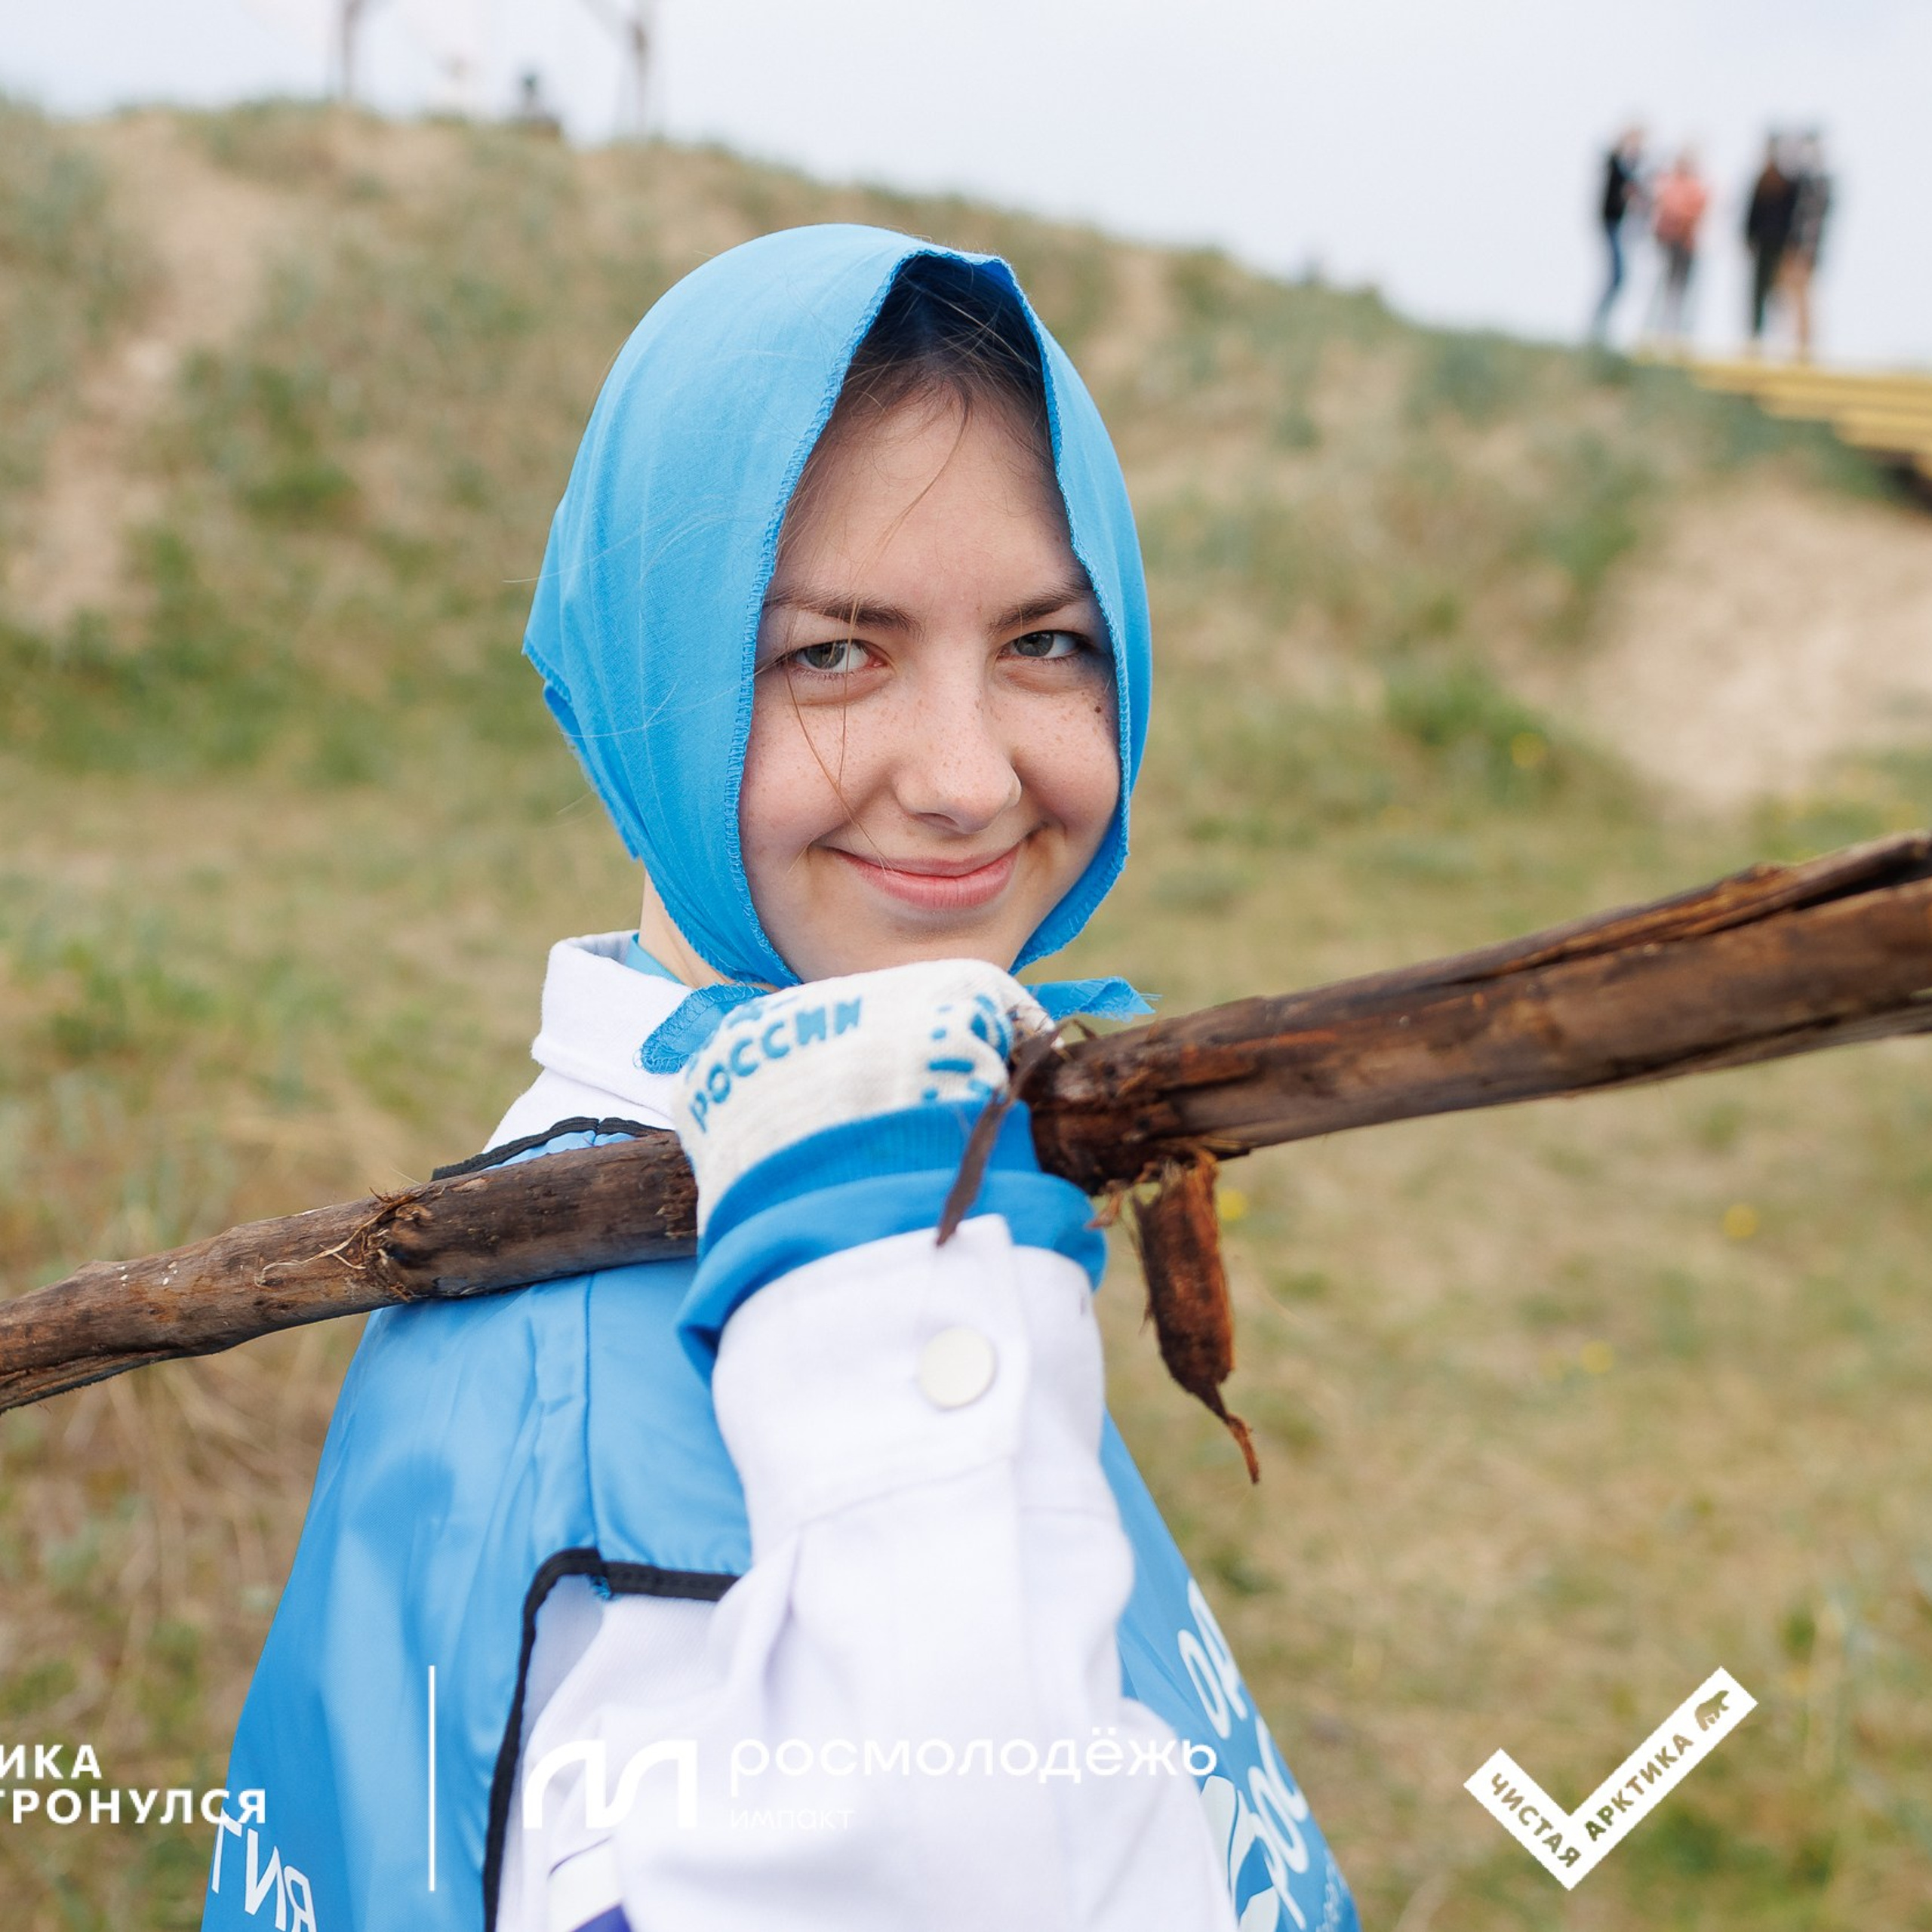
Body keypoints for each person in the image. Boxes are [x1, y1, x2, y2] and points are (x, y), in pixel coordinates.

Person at [199, 229, 1358, 1932]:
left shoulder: (892, 1176)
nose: (966, 780)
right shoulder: (654, 1398)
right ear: (646, 681)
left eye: (1044, 642)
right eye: (830, 653)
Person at [1644, 147, 1709, 349]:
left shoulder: (1696, 186)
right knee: (1663, 287)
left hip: (1687, 244)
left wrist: (1680, 218)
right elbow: (1664, 209)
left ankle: (1679, 338)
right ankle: (1652, 335)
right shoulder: (1669, 183)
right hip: (1669, 243)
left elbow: (1697, 210)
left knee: (1683, 290)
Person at [1780, 131, 1833, 361]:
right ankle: (1796, 344)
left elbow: (1814, 221)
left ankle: (1805, 347)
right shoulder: (1802, 181)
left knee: (1804, 300)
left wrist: (1807, 251)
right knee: (1789, 299)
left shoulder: (1820, 183)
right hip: (1795, 249)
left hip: (1805, 250)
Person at [1591, 125, 1646, 343]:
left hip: (1619, 226)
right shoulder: (1616, 163)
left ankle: (1600, 326)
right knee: (1618, 276)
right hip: (1611, 223)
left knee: (1619, 278)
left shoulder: (1628, 167)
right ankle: (1598, 326)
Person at [1744, 134, 1796, 349]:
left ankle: (1781, 338)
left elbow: (1791, 216)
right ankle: (1755, 335)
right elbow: (1752, 212)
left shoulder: (1789, 182)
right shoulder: (1761, 179)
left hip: (1780, 245)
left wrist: (1790, 245)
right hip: (1762, 244)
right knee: (1757, 290)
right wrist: (1748, 237)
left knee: (1779, 293)